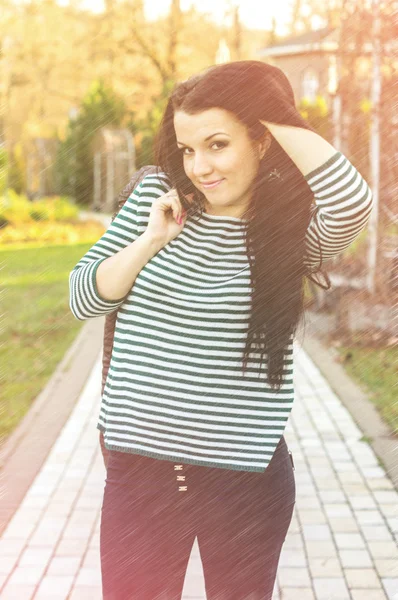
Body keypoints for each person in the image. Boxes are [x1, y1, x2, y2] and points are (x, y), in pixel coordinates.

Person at [69, 60, 373, 600]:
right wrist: (149, 242)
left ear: (261, 142)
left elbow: (354, 202)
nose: (200, 167)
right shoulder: (156, 198)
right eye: (188, 149)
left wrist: (269, 109)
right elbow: (84, 295)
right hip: (140, 478)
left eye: (217, 144)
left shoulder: (289, 232)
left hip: (245, 484)